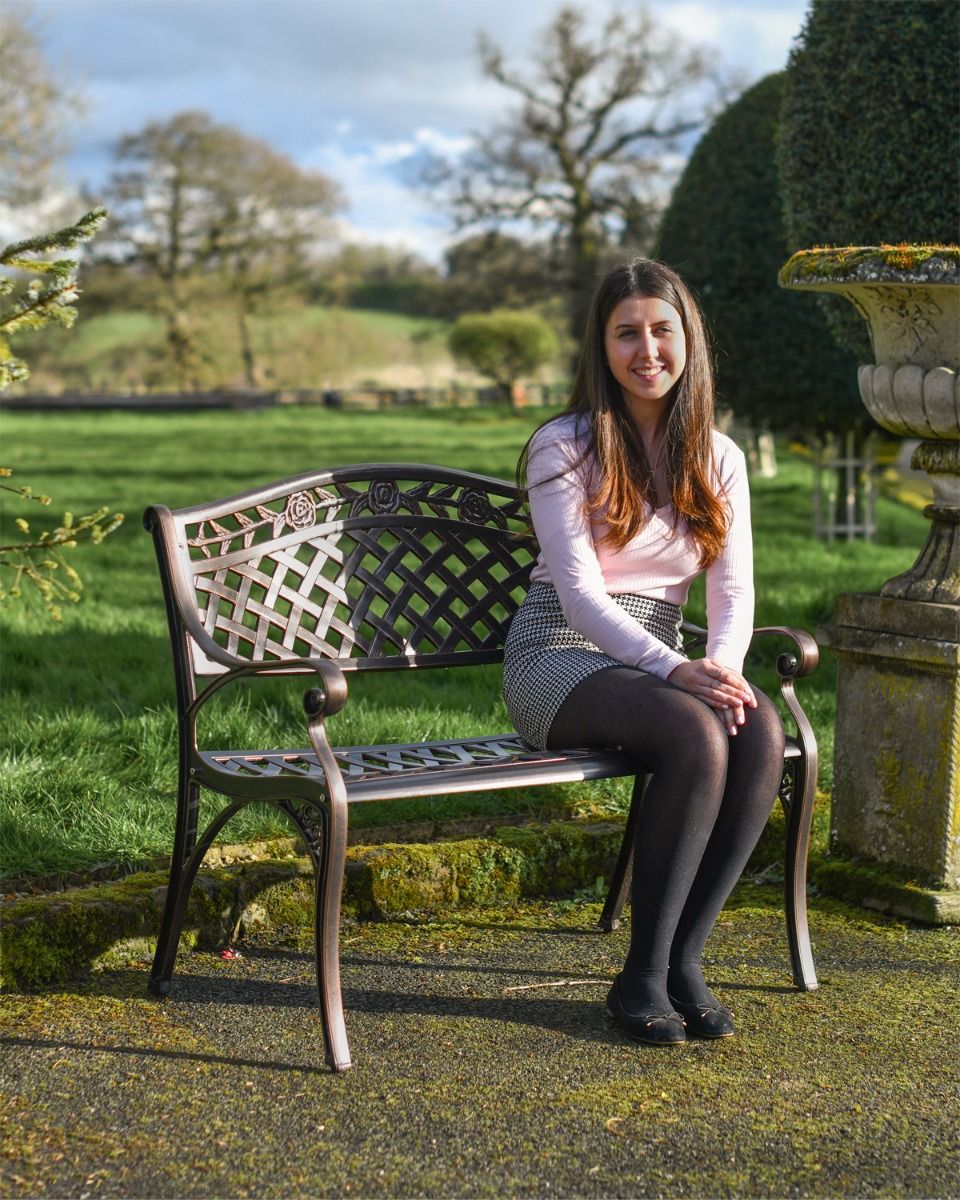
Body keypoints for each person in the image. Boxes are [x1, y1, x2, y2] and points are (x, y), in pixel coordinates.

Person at [502, 257, 785, 1046]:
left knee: (756, 727)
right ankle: (641, 978)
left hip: (659, 660)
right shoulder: (564, 445)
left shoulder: (719, 456)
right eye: (627, 333)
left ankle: (680, 964)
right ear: (602, 347)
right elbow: (582, 596)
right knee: (695, 730)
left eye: (662, 330)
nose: (646, 349)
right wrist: (673, 670)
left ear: (688, 339)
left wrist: (721, 670)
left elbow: (732, 594)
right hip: (558, 652)